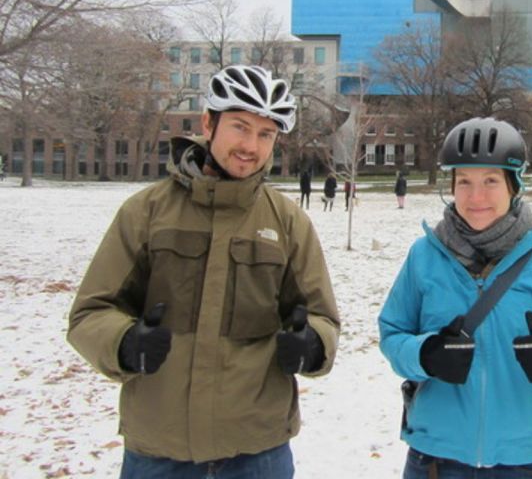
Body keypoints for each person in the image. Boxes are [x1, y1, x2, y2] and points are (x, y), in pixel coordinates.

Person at [67, 64, 341, 478]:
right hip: (160, 449)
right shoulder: (147, 213)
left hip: (258, 451)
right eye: (240, 127)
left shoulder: (287, 223)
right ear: (208, 123)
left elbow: (323, 317)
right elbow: (90, 312)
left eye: (266, 134)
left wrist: (313, 345)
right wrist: (123, 342)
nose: (251, 145)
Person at [379, 117, 532, 479]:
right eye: (464, 182)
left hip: (525, 461)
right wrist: (425, 354)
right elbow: (393, 334)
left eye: (490, 181)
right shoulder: (424, 256)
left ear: (514, 185)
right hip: (436, 459)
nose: (476, 197)